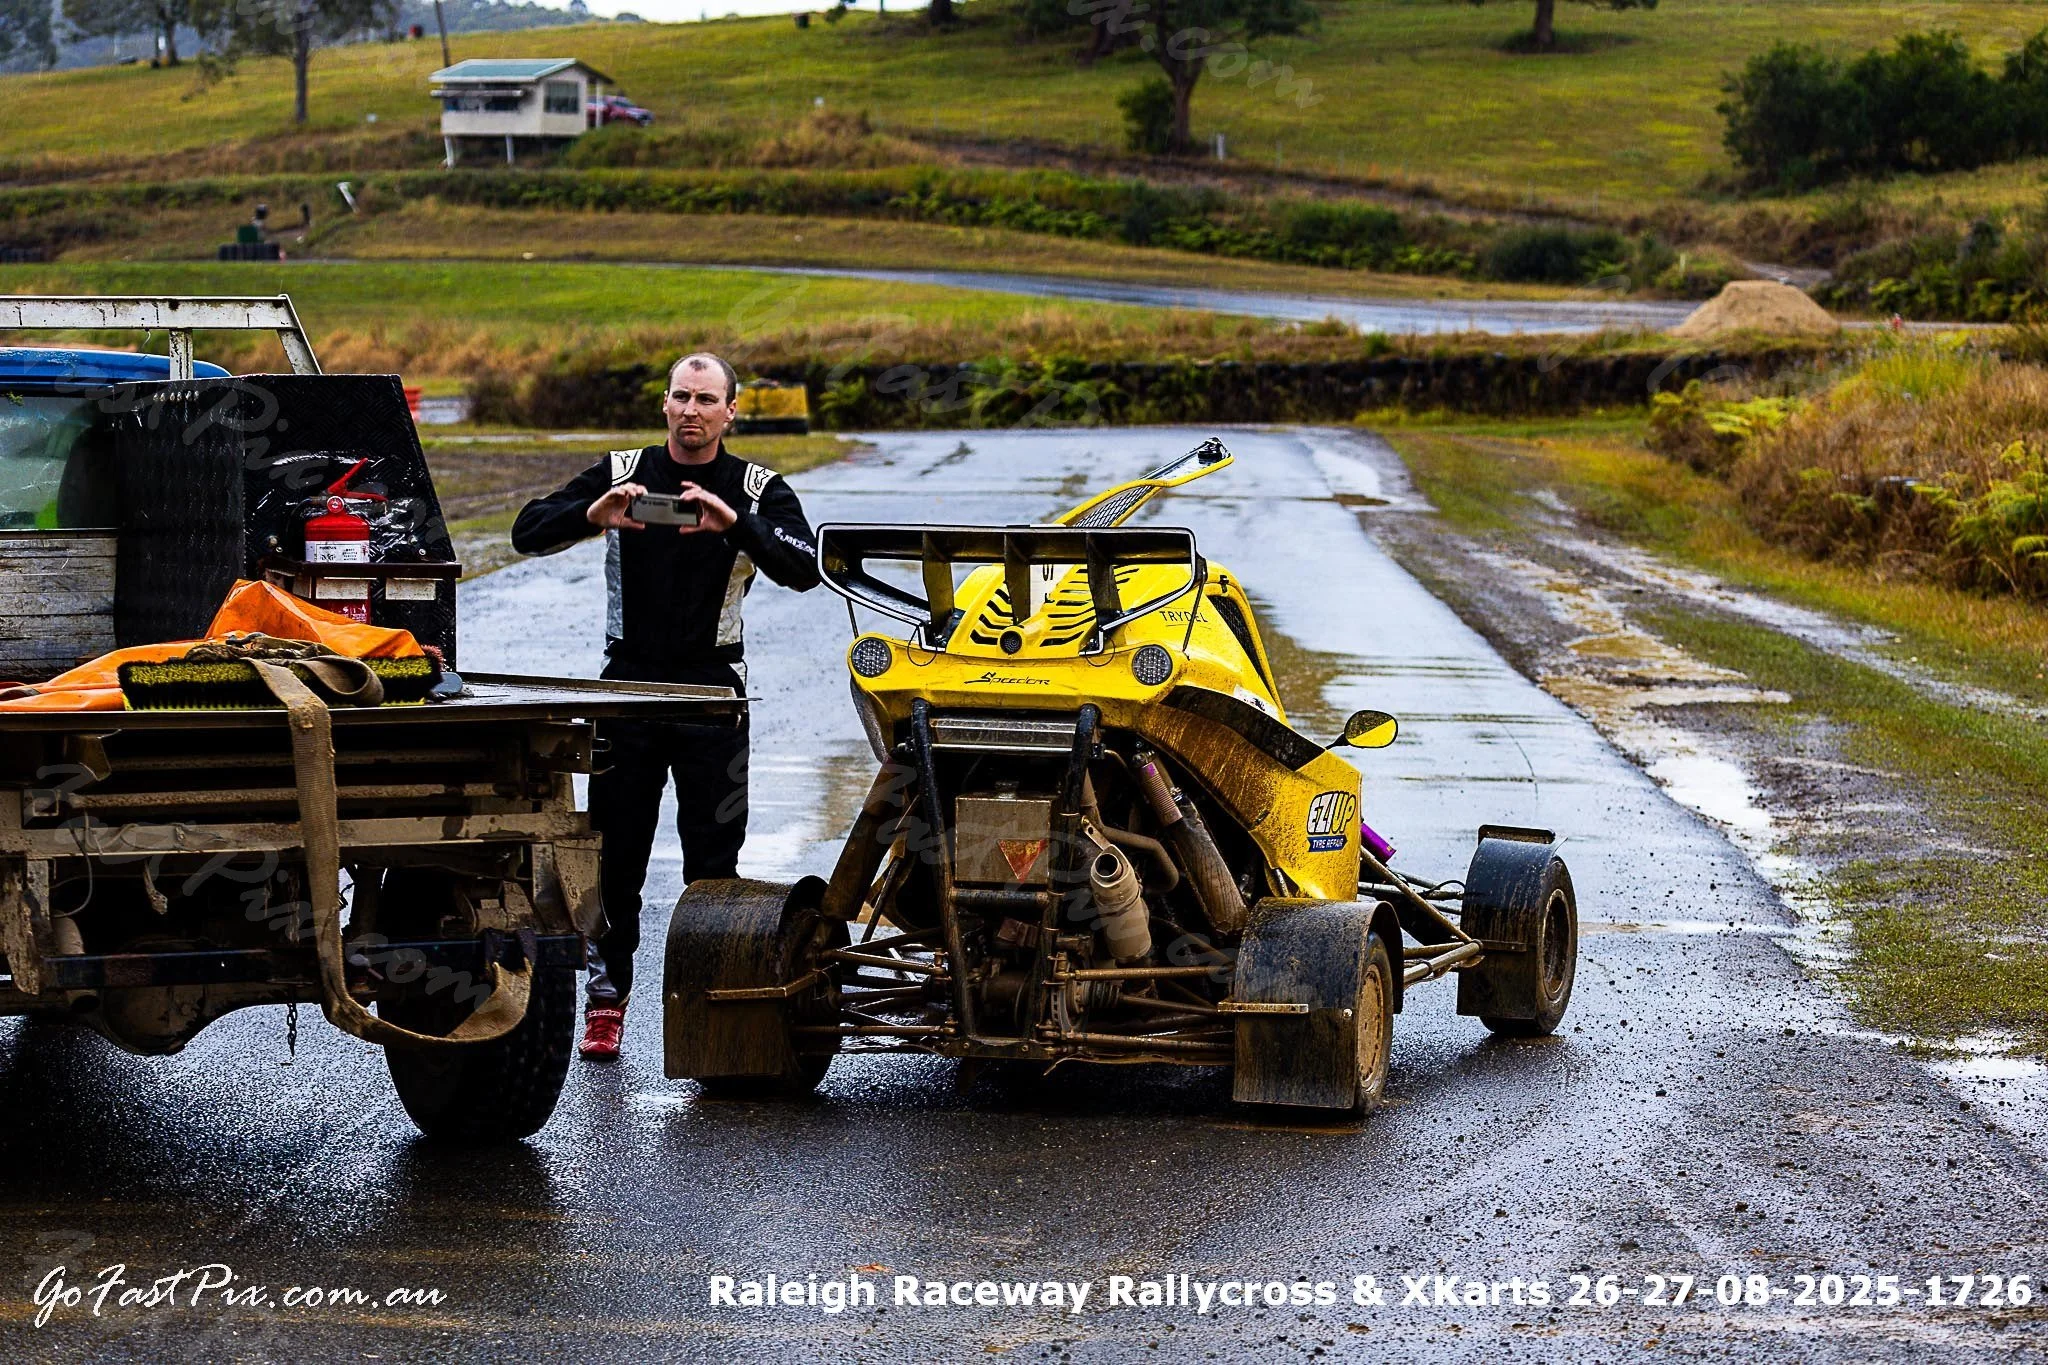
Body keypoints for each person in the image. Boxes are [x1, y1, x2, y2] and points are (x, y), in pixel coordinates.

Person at [511, 353, 820, 1060]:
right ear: (664, 403)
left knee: (713, 862)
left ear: (730, 411)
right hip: (626, 689)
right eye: (681, 396)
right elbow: (526, 530)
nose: (692, 410)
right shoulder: (624, 469)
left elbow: (805, 566)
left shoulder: (757, 485)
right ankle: (606, 998)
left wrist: (735, 523)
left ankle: (711, 997)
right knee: (615, 858)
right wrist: (592, 515)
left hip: (712, 693)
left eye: (707, 399)